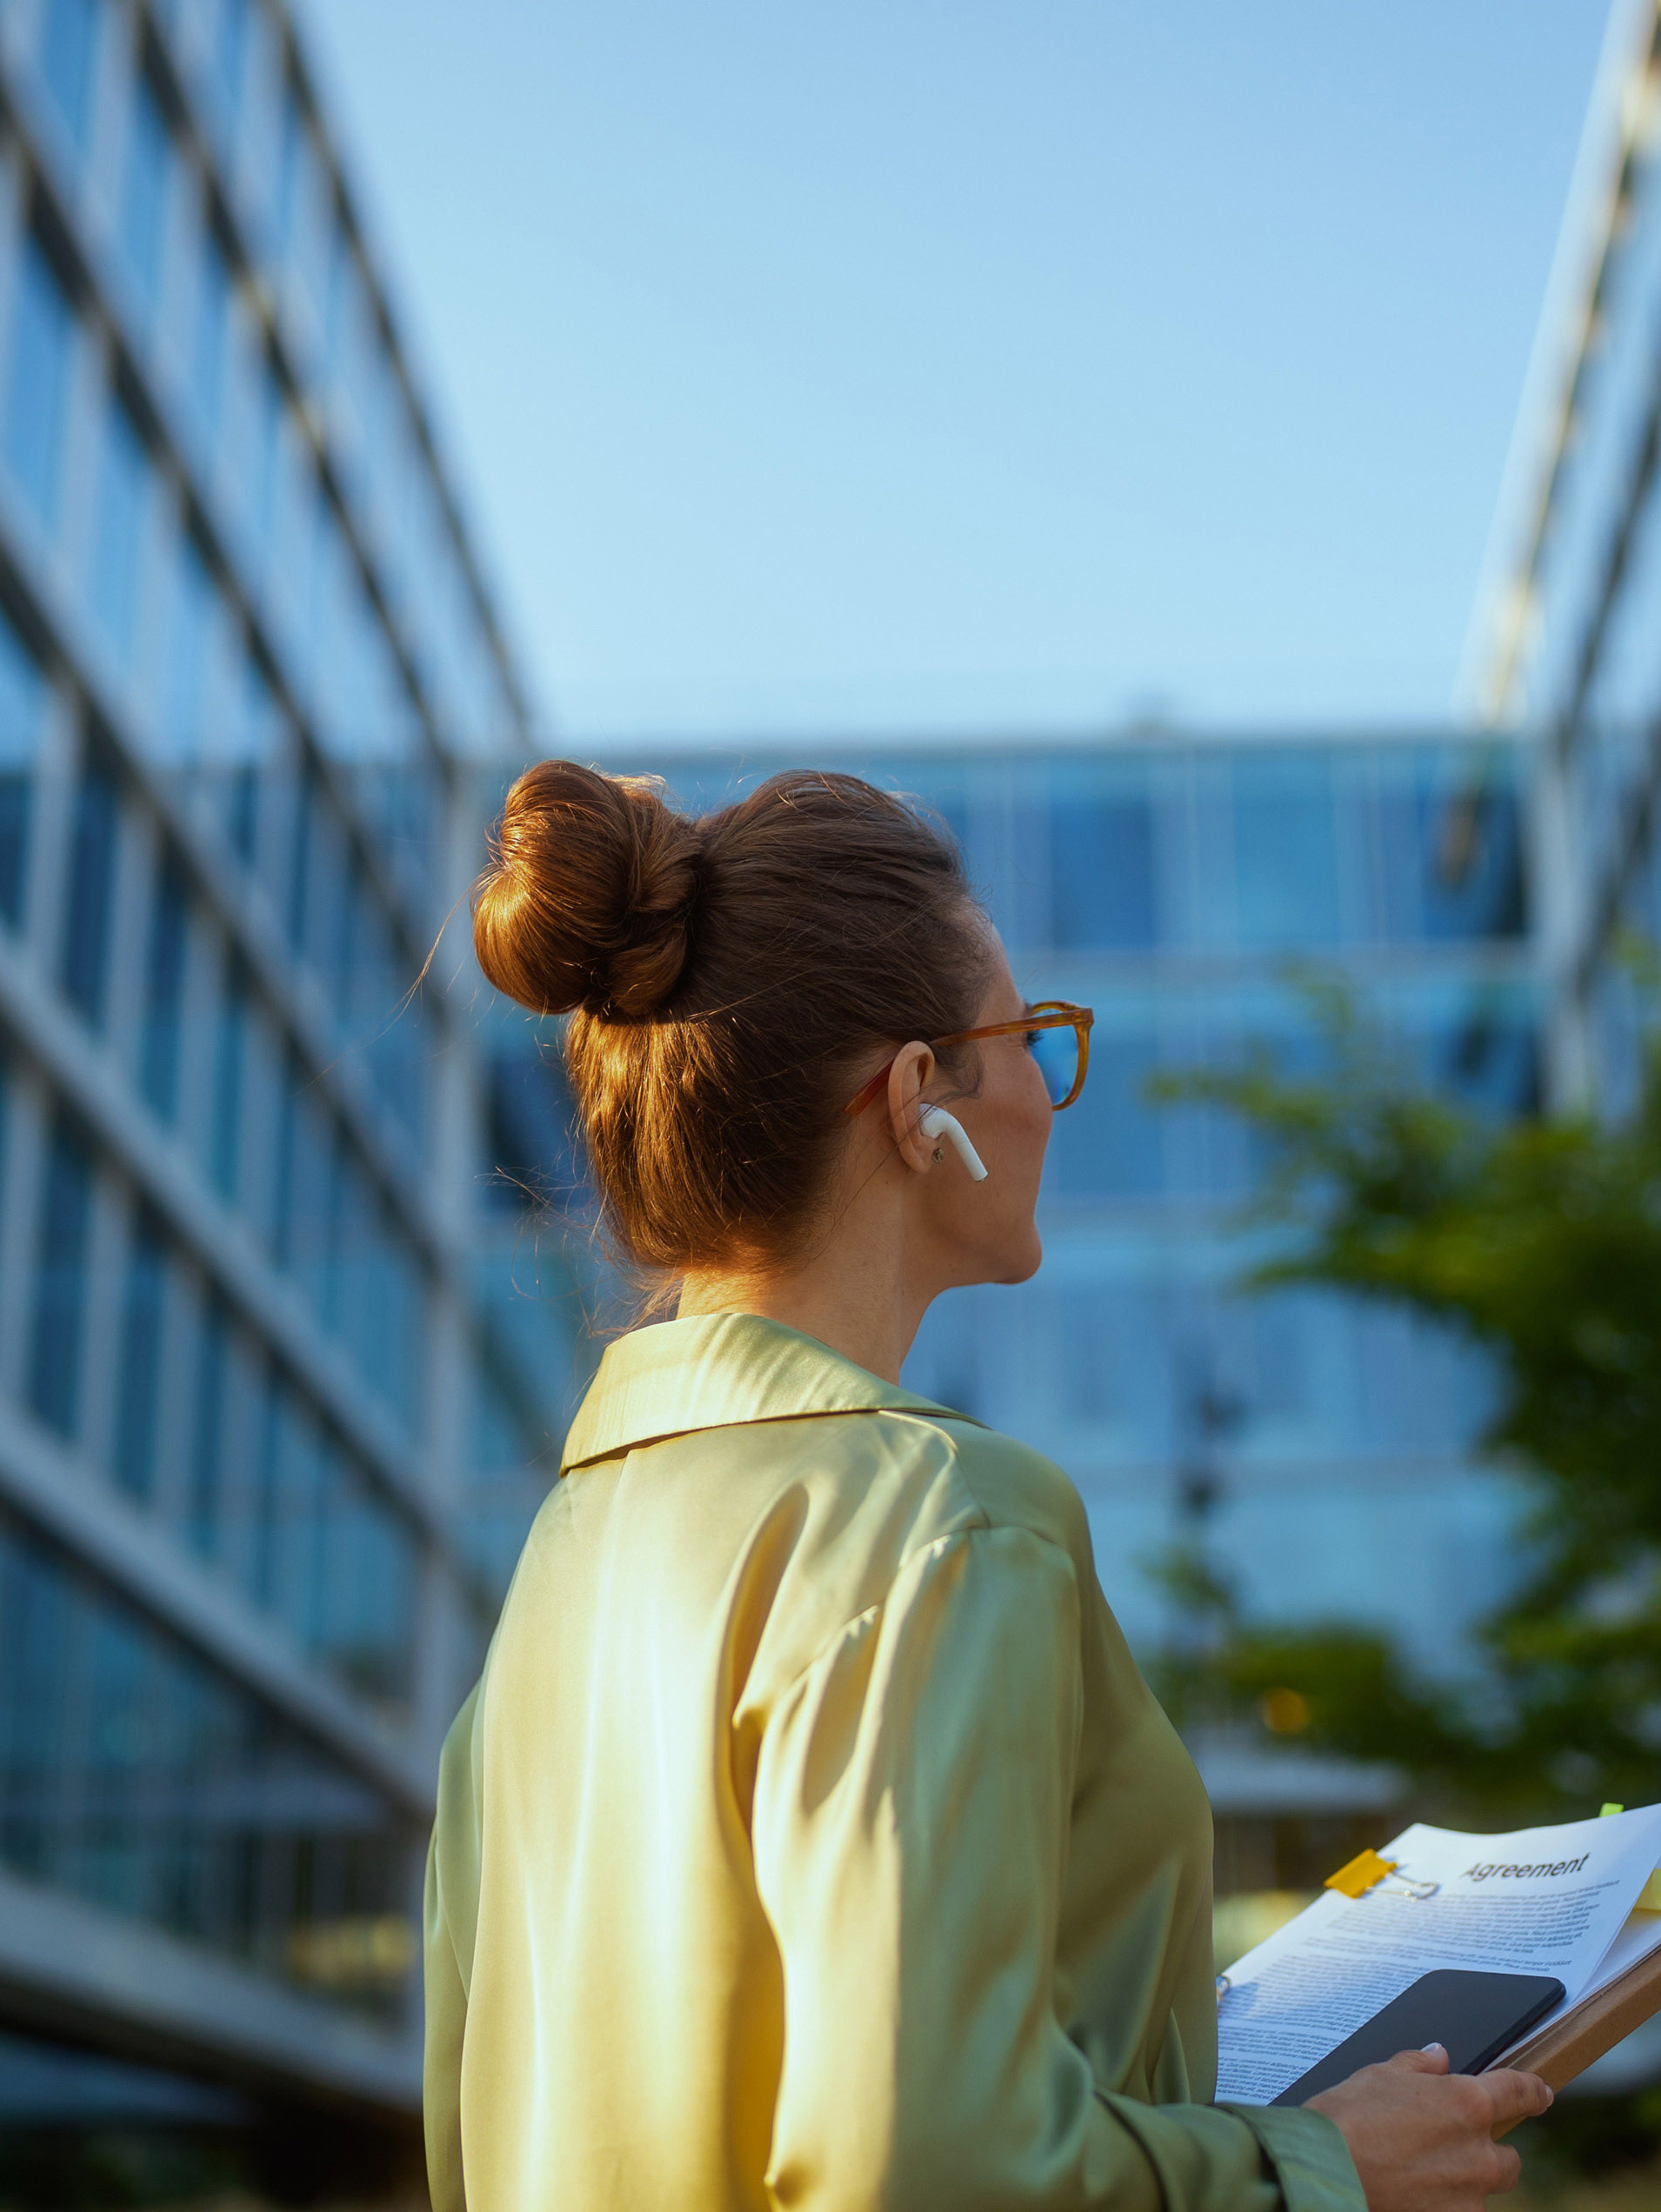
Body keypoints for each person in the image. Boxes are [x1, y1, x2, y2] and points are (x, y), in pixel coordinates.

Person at [424, 761, 1551, 2210]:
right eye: (1025, 1033)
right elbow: (933, 2158)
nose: (1046, 1084)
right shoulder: (942, 1520)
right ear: (917, 1100)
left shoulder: (556, 1584)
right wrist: (1315, 2170)